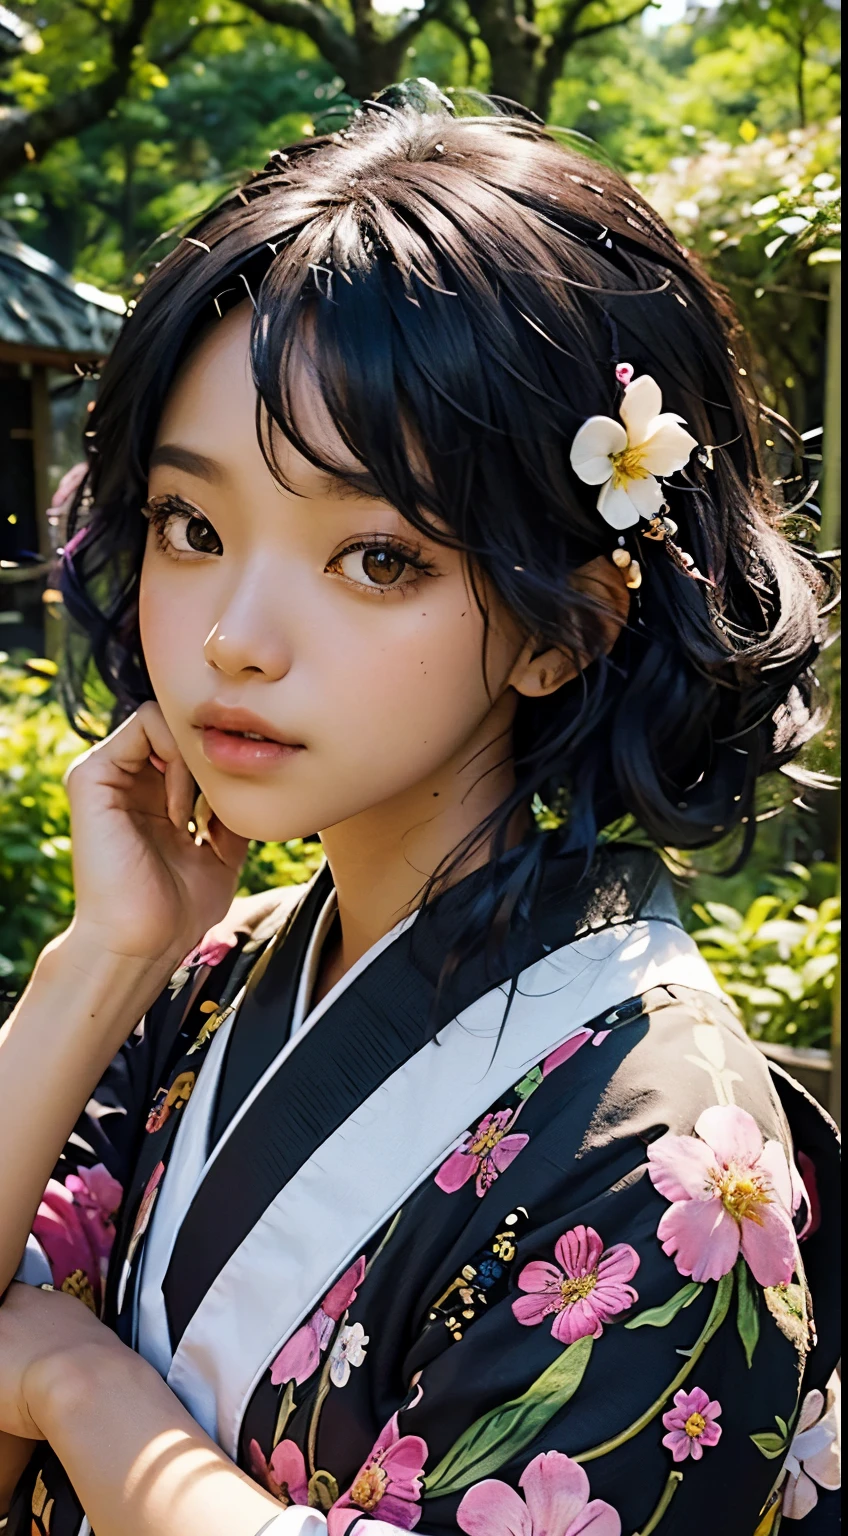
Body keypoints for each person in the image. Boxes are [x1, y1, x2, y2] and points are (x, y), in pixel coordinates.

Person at [0, 84, 839, 1536]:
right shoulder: (195, 983)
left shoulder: (669, 1156)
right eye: (193, 527)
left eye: (375, 557)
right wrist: (99, 960)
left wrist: (87, 1394)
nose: (232, 638)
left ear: (563, 624)